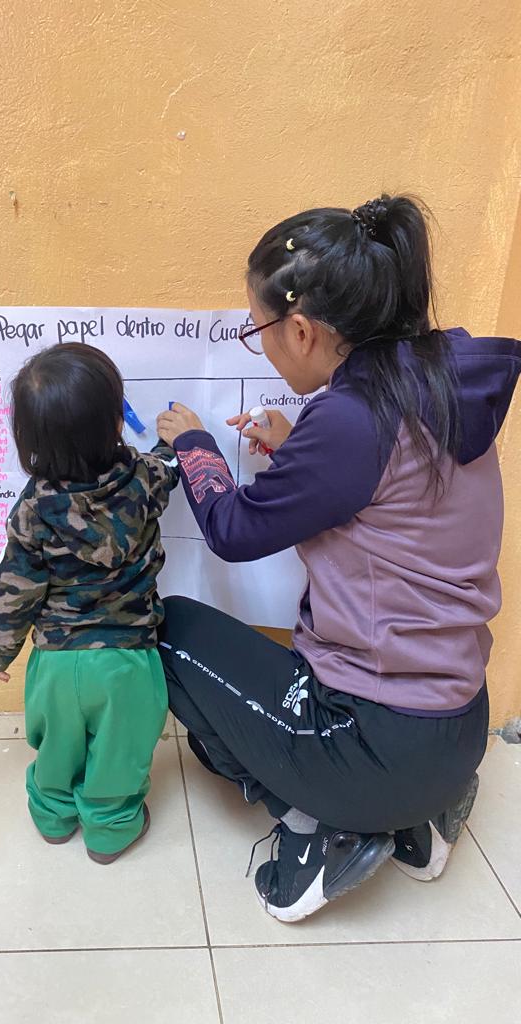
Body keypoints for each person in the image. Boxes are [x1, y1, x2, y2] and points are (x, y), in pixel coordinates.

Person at [155, 195, 520, 923]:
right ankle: (422, 821)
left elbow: (231, 529)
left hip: (374, 740)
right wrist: (298, 447)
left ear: (300, 329)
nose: (262, 346)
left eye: (258, 330)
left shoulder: (352, 420)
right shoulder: (437, 379)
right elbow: (397, 498)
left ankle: (327, 827)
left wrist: (193, 445)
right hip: (457, 724)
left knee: (167, 634)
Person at [0, 343, 178, 863]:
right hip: (128, 661)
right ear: (116, 422)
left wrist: (1, 650)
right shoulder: (143, 479)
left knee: (58, 745)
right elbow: (168, 467)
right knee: (120, 751)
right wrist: (175, 442)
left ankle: (53, 815)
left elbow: (16, 590)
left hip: (57, 660)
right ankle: (110, 830)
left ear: (28, 439)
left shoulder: (32, 509)